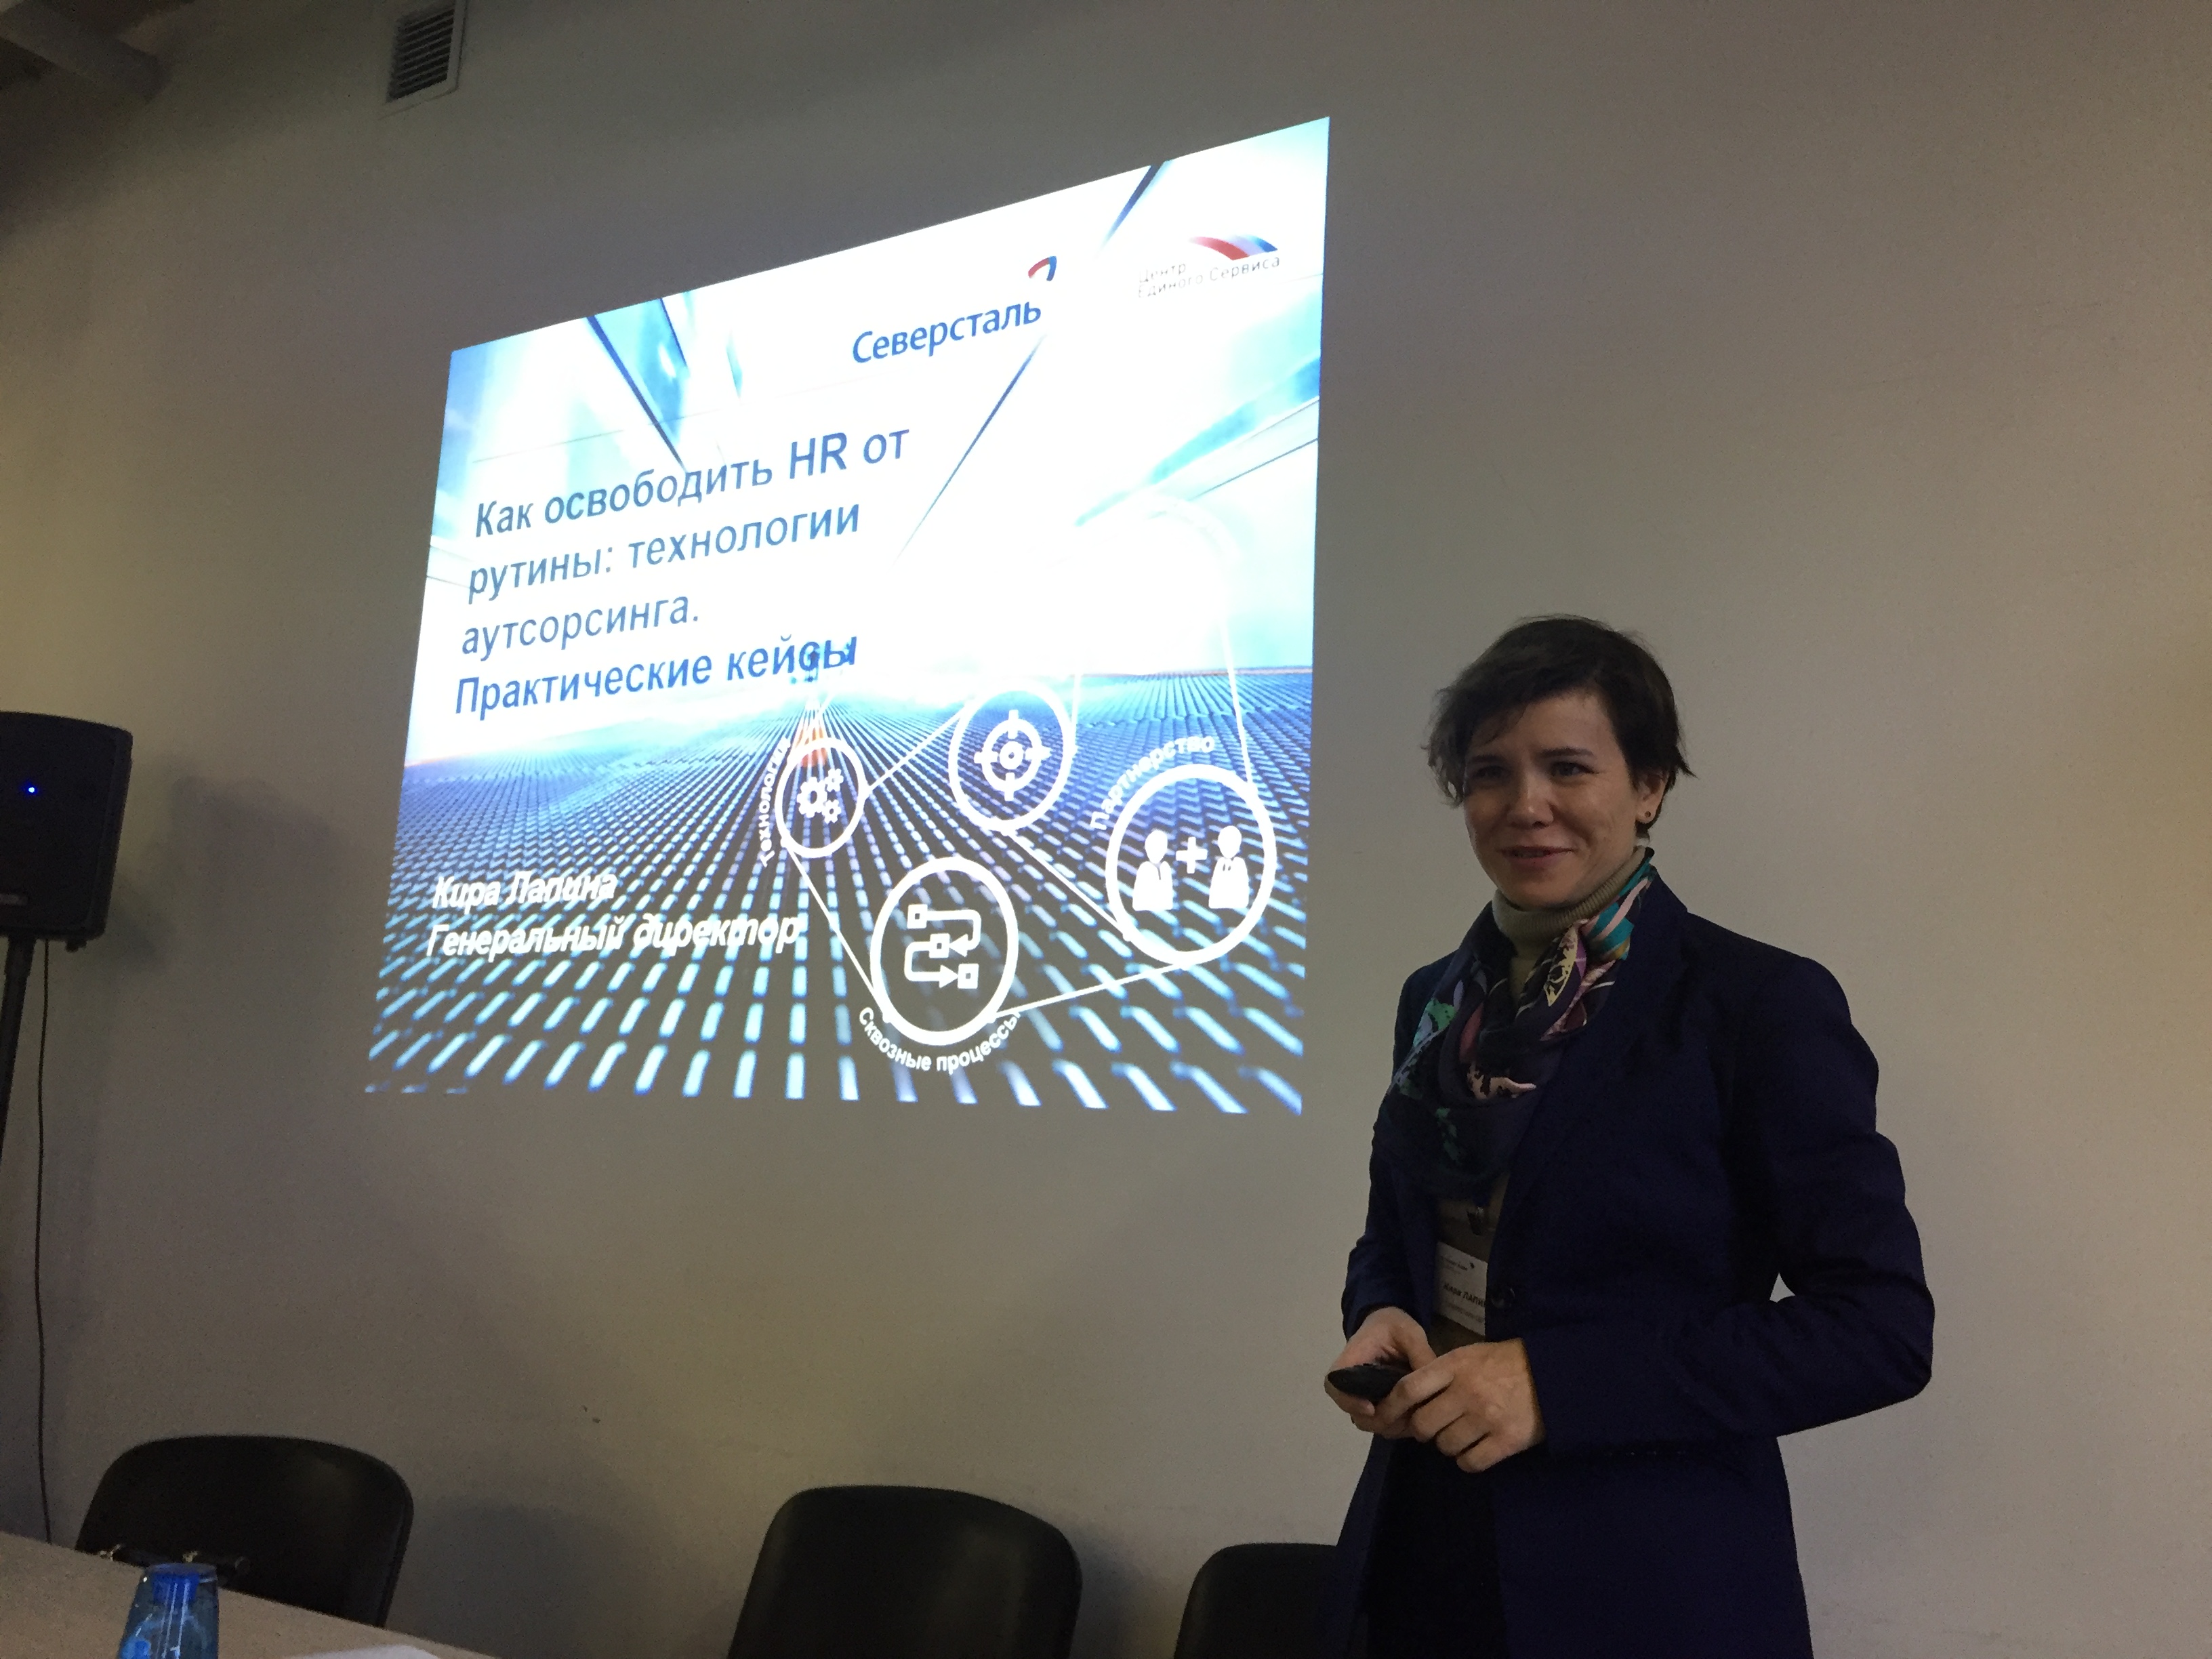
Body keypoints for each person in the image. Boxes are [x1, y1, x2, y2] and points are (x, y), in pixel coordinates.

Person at [1322, 617, 1932, 1658]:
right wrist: (1380, 1308)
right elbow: (1396, 1231)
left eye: (1568, 767)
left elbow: (1878, 1330)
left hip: (1649, 1587)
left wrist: (1555, 1386)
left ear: (1648, 786)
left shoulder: (1755, 1006)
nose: (1526, 805)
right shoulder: (1438, 1000)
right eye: (1489, 773)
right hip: (1427, 1556)